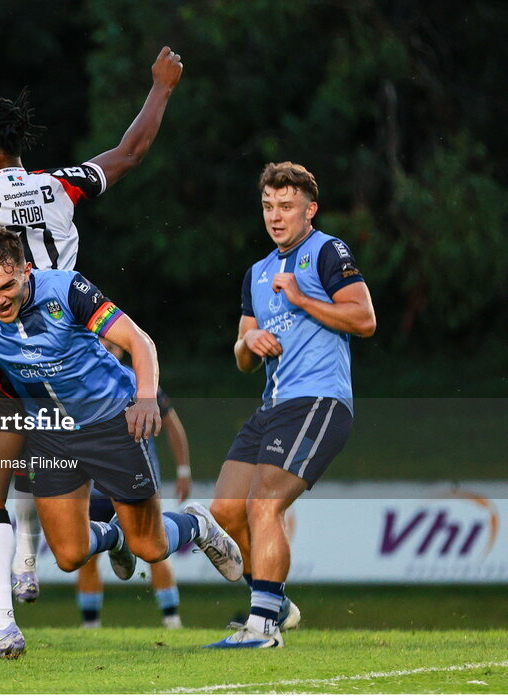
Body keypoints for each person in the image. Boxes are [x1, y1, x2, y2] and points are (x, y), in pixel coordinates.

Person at [0, 45, 185, 656]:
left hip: (6, 366)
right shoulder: (60, 186)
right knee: (63, 539)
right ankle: (13, 597)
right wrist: (160, 88)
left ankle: (1, 623)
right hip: (75, 357)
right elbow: (130, 153)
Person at [0, 225, 242, 659]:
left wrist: (147, 399)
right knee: (70, 555)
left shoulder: (67, 289)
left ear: (26, 269)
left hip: (111, 420)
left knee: (149, 546)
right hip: (51, 431)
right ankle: (110, 539)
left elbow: (139, 341)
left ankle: (197, 524)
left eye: (7, 285)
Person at [205, 162, 376, 649]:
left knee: (264, 503)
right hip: (272, 406)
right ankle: (274, 600)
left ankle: (262, 628)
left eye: (286, 207)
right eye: (268, 207)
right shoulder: (257, 272)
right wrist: (250, 341)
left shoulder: (327, 250)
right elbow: (241, 355)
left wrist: (301, 299)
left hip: (319, 400)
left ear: (310, 209)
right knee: (224, 513)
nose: (276, 217)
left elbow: (364, 319)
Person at [76, 340, 192, 629]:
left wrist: (184, 470)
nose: (108, 351)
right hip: (95, 486)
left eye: (114, 347)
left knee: (154, 547)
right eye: (103, 345)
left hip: (134, 481)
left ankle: (172, 619)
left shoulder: (139, 383)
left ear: (123, 351)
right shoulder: (80, 383)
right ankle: (90, 626)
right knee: (85, 552)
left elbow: (172, 426)